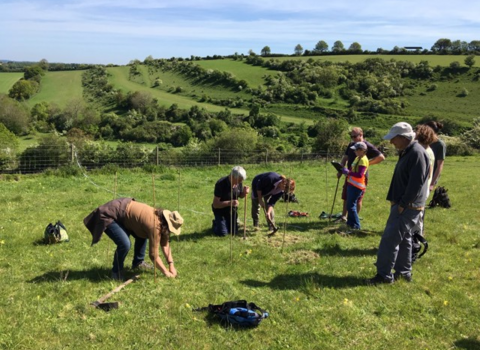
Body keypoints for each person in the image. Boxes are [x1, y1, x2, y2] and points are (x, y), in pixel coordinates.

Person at [367, 122, 430, 285]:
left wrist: (402, 204)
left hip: (407, 206)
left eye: (393, 139)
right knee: (404, 239)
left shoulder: (416, 153)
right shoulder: (408, 151)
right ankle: (403, 273)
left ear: (403, 137)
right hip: (406, 205)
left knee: (390, 239)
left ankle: (383, 276)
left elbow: (416, 184)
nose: (391, 142)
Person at [84, 198, 183, 280]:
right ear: (167, 224)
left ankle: (138, 263)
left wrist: (171, 265)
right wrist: (166, 272)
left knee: (142, 233)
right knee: (125, 244)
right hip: (109, 215)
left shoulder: (162, 221)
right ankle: (116, 272)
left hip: (124, 213)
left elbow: (165, 244)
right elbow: (154, 255)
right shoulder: (154, 226)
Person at [335, 127, 385, 223]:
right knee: (346, 196)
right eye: (351, 136)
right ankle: (343, 217)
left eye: (354, 136)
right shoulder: (352, 145)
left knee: (357, 198)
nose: (352, 138)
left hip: (360, 177)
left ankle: (354, 219)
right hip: (349, 175)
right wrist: (340, 170)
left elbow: (381, 157)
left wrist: (367, 164)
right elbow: (345, 157)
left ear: (361, 135)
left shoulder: (366, 146)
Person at [212, 166, 250, 237]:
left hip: (232, 211)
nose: (240, 182)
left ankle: (224, 223)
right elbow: (215, 204)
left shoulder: (238, 183)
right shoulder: (220, 184)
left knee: (234, 232)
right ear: (232, 177)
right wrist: (230, 203)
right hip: (220, 211)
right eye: (239, 180)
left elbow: (240, 195)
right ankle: (216, 223)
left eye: (241, 180)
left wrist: (244, 193)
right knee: (223, 233)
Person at [412, 124, 436, 236]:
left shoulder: (425, 152)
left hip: (421, 187)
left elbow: (427, 173)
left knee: (417, 214)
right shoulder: (426, 150)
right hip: (423, 186)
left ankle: (416, 238)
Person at [340, 141, 369, 231]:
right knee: (349, 205)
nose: (354, 152)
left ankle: (356, 226)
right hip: (352, 184)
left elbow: (360, 175)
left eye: (356, 150)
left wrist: (348, 172)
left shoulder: (363, 160)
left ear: (361, 150)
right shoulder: (358, 158)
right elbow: (352, 169)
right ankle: (350, 223)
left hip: (357, 186)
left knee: (351, 206)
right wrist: (346, 170)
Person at [425, 121, 446, 192]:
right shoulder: (424, 142)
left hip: (430, 178)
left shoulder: (440, 145)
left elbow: (440, 165)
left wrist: (432, 183)